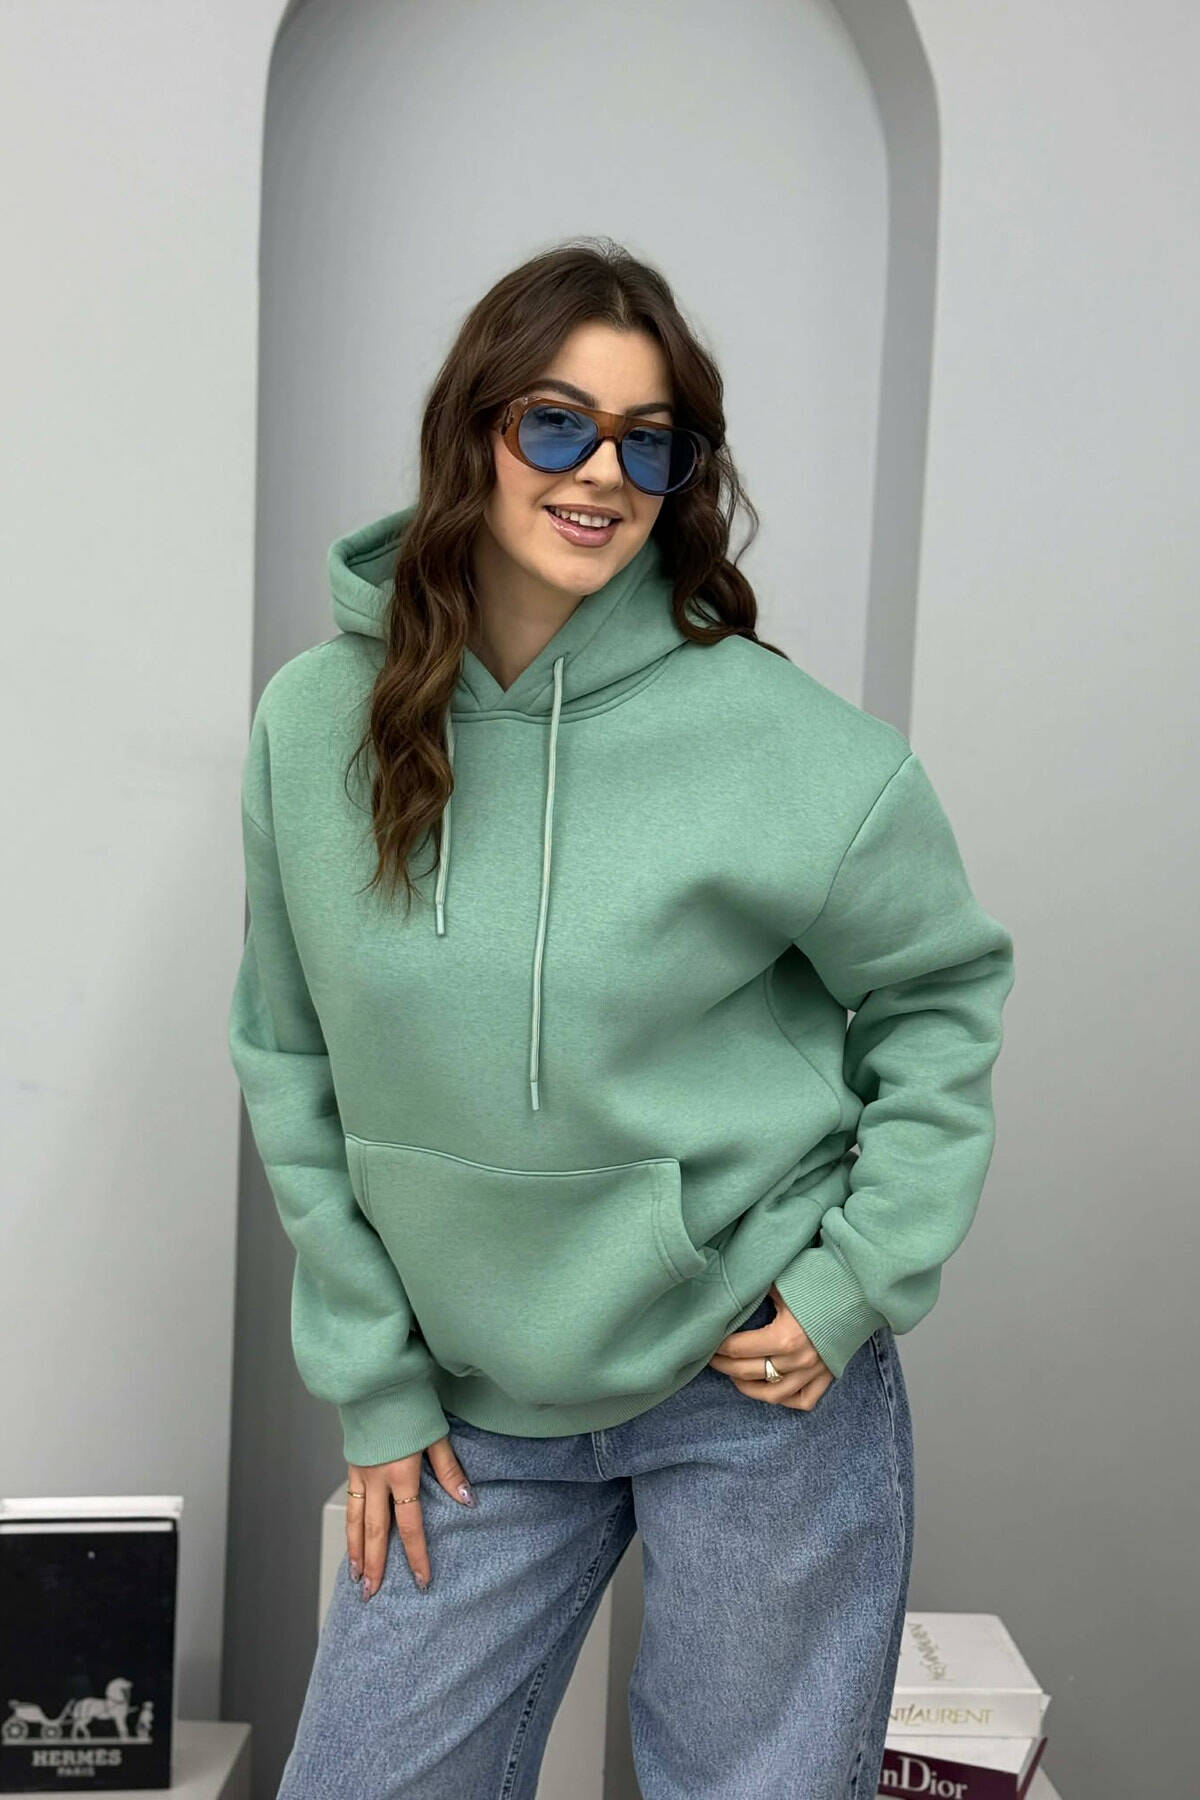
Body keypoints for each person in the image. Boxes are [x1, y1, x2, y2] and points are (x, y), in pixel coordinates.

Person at [228, 238, 1015, 1800]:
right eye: (557, 423)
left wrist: (856, 1279)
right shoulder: (314, 725)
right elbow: (288, 1054)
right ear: (472, 432)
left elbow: (938, 995)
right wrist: (373, 1380)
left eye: (649, 442)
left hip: (749, 1372)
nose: (602, 473)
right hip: (470, 1389)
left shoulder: (785, 744)